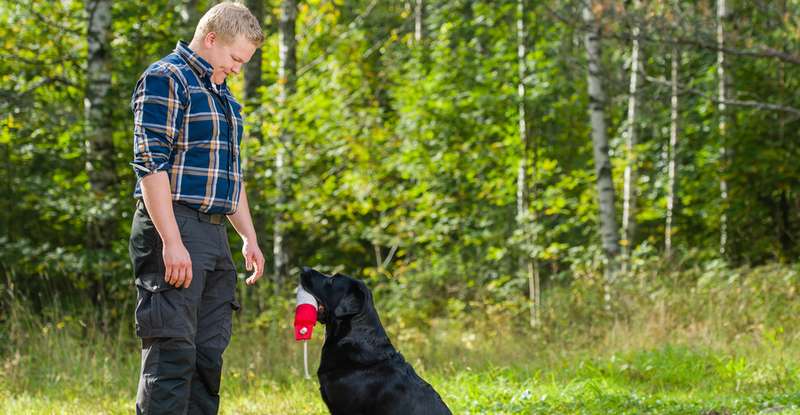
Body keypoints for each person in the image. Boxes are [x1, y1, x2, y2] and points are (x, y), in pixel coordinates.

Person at [128, 2, 265, 414]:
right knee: (172, 355)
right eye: (235, 58)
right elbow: (151, 164)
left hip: (212, 235)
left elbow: (230, 177)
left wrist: (249, 238)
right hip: (172, 226)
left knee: (207, 358)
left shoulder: (224, 97)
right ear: (210, 39)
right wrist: (170, 241)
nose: (238, 69)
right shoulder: (166, 79)